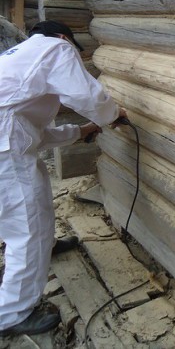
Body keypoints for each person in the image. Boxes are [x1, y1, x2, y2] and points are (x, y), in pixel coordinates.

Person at [0, 20, 127, 336]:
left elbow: (34, 134)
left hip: (9, 146)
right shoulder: (54, 47)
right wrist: (113, 116)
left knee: (25, 209)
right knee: (27, 226)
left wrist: (82, 131)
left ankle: (45, 245)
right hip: (6, 152)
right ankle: (11, 315)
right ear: (63, 37)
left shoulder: (18, 58)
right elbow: (87, 96)